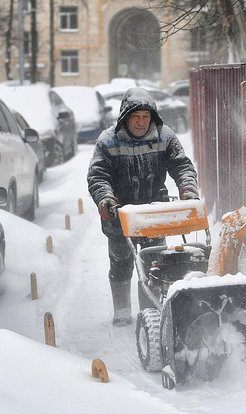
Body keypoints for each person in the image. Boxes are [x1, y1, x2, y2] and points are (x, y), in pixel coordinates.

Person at [87, 87, 199, 326]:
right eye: (135, 117)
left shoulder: (165, 136)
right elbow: (98, 176)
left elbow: (182, 166)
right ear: (125, 116)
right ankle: (122, 309)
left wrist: (187, 188)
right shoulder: (108, 140)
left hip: (153, 213)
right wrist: (105, 198)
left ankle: (148, 310)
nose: (140, 122)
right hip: (120, 214)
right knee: (121, 261)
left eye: (145, 117)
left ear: (153, 117)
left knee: (153, 264)